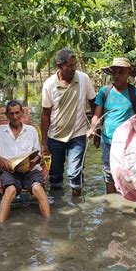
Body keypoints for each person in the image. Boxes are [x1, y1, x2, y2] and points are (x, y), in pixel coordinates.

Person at [87, 58, 136, 194]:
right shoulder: (105, 92)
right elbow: (97, 115)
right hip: (108, 140)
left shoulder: (135, 93)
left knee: (129, 173)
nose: (117, 75)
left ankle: (128, 201)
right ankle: (112, 202)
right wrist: (93, 129)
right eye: (115, 72)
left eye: (121, 72)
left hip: (129, 142)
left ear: (128, 74)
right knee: (108, 173)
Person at [40, 48, 96, 196]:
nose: (73, 69)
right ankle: (58, 210)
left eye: (74, 65)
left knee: (75, 175)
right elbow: (45, 114)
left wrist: (95, 128)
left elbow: (94, 104)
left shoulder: (83, 79)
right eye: (69, 66)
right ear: (59, 66)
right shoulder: (49, 84)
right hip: (55, 137)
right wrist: (44, 142)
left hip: (78, 134)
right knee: (55, 177)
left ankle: (78, 208)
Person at [0, 100, 50, 222]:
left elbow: (38, 152)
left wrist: (35, 161)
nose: (15, 116)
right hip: (9, 171)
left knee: (38, 189)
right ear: (7, 115)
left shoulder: (31, 131)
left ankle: (49, 225)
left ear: (22, 113)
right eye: (11, 113)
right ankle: (1, 227)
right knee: (10, 190)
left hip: (30, 169)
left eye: (17, 113)